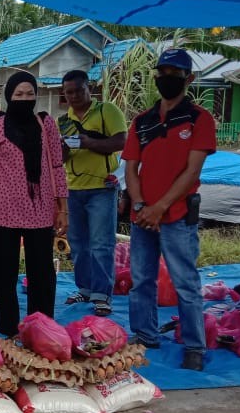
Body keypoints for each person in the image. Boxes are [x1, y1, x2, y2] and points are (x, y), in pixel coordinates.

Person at [122, 48, 216, 371]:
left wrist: (160, 207)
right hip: (143, 216)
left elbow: (192, 172)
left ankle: (194, 346)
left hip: (176, 216)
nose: (166, 79)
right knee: (141, 280)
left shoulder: (199, 119)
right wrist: (139, 206)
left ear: (188, 79)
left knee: (185, 282)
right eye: (162, 72)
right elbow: (131, 169)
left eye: (174, 74)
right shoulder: (142, 121)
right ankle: (145, 335)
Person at [0, 71, 68, 337]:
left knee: (42, 274)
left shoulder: (46, 125)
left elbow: (56, 166)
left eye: (30, 94)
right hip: (2, 212)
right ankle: (8, 329)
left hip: (40, 210)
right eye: (19, 94)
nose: (25, 99)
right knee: (5, 276)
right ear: (8, 97)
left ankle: (40, 328)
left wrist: (63, 208)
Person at [57, 70, 127, 317]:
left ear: (89, 88)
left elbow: (122, 142)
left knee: (101, 244)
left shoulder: (107, 111)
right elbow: (61, 158)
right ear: (64, 94)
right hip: (72, 188)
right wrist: (64, 148)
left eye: (79, 90)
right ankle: (85, 288)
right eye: (69, 92)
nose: (75, 95)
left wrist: (88, 143)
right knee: (78, 244)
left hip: (102, 187)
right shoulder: (63, 120)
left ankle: (101, 294)